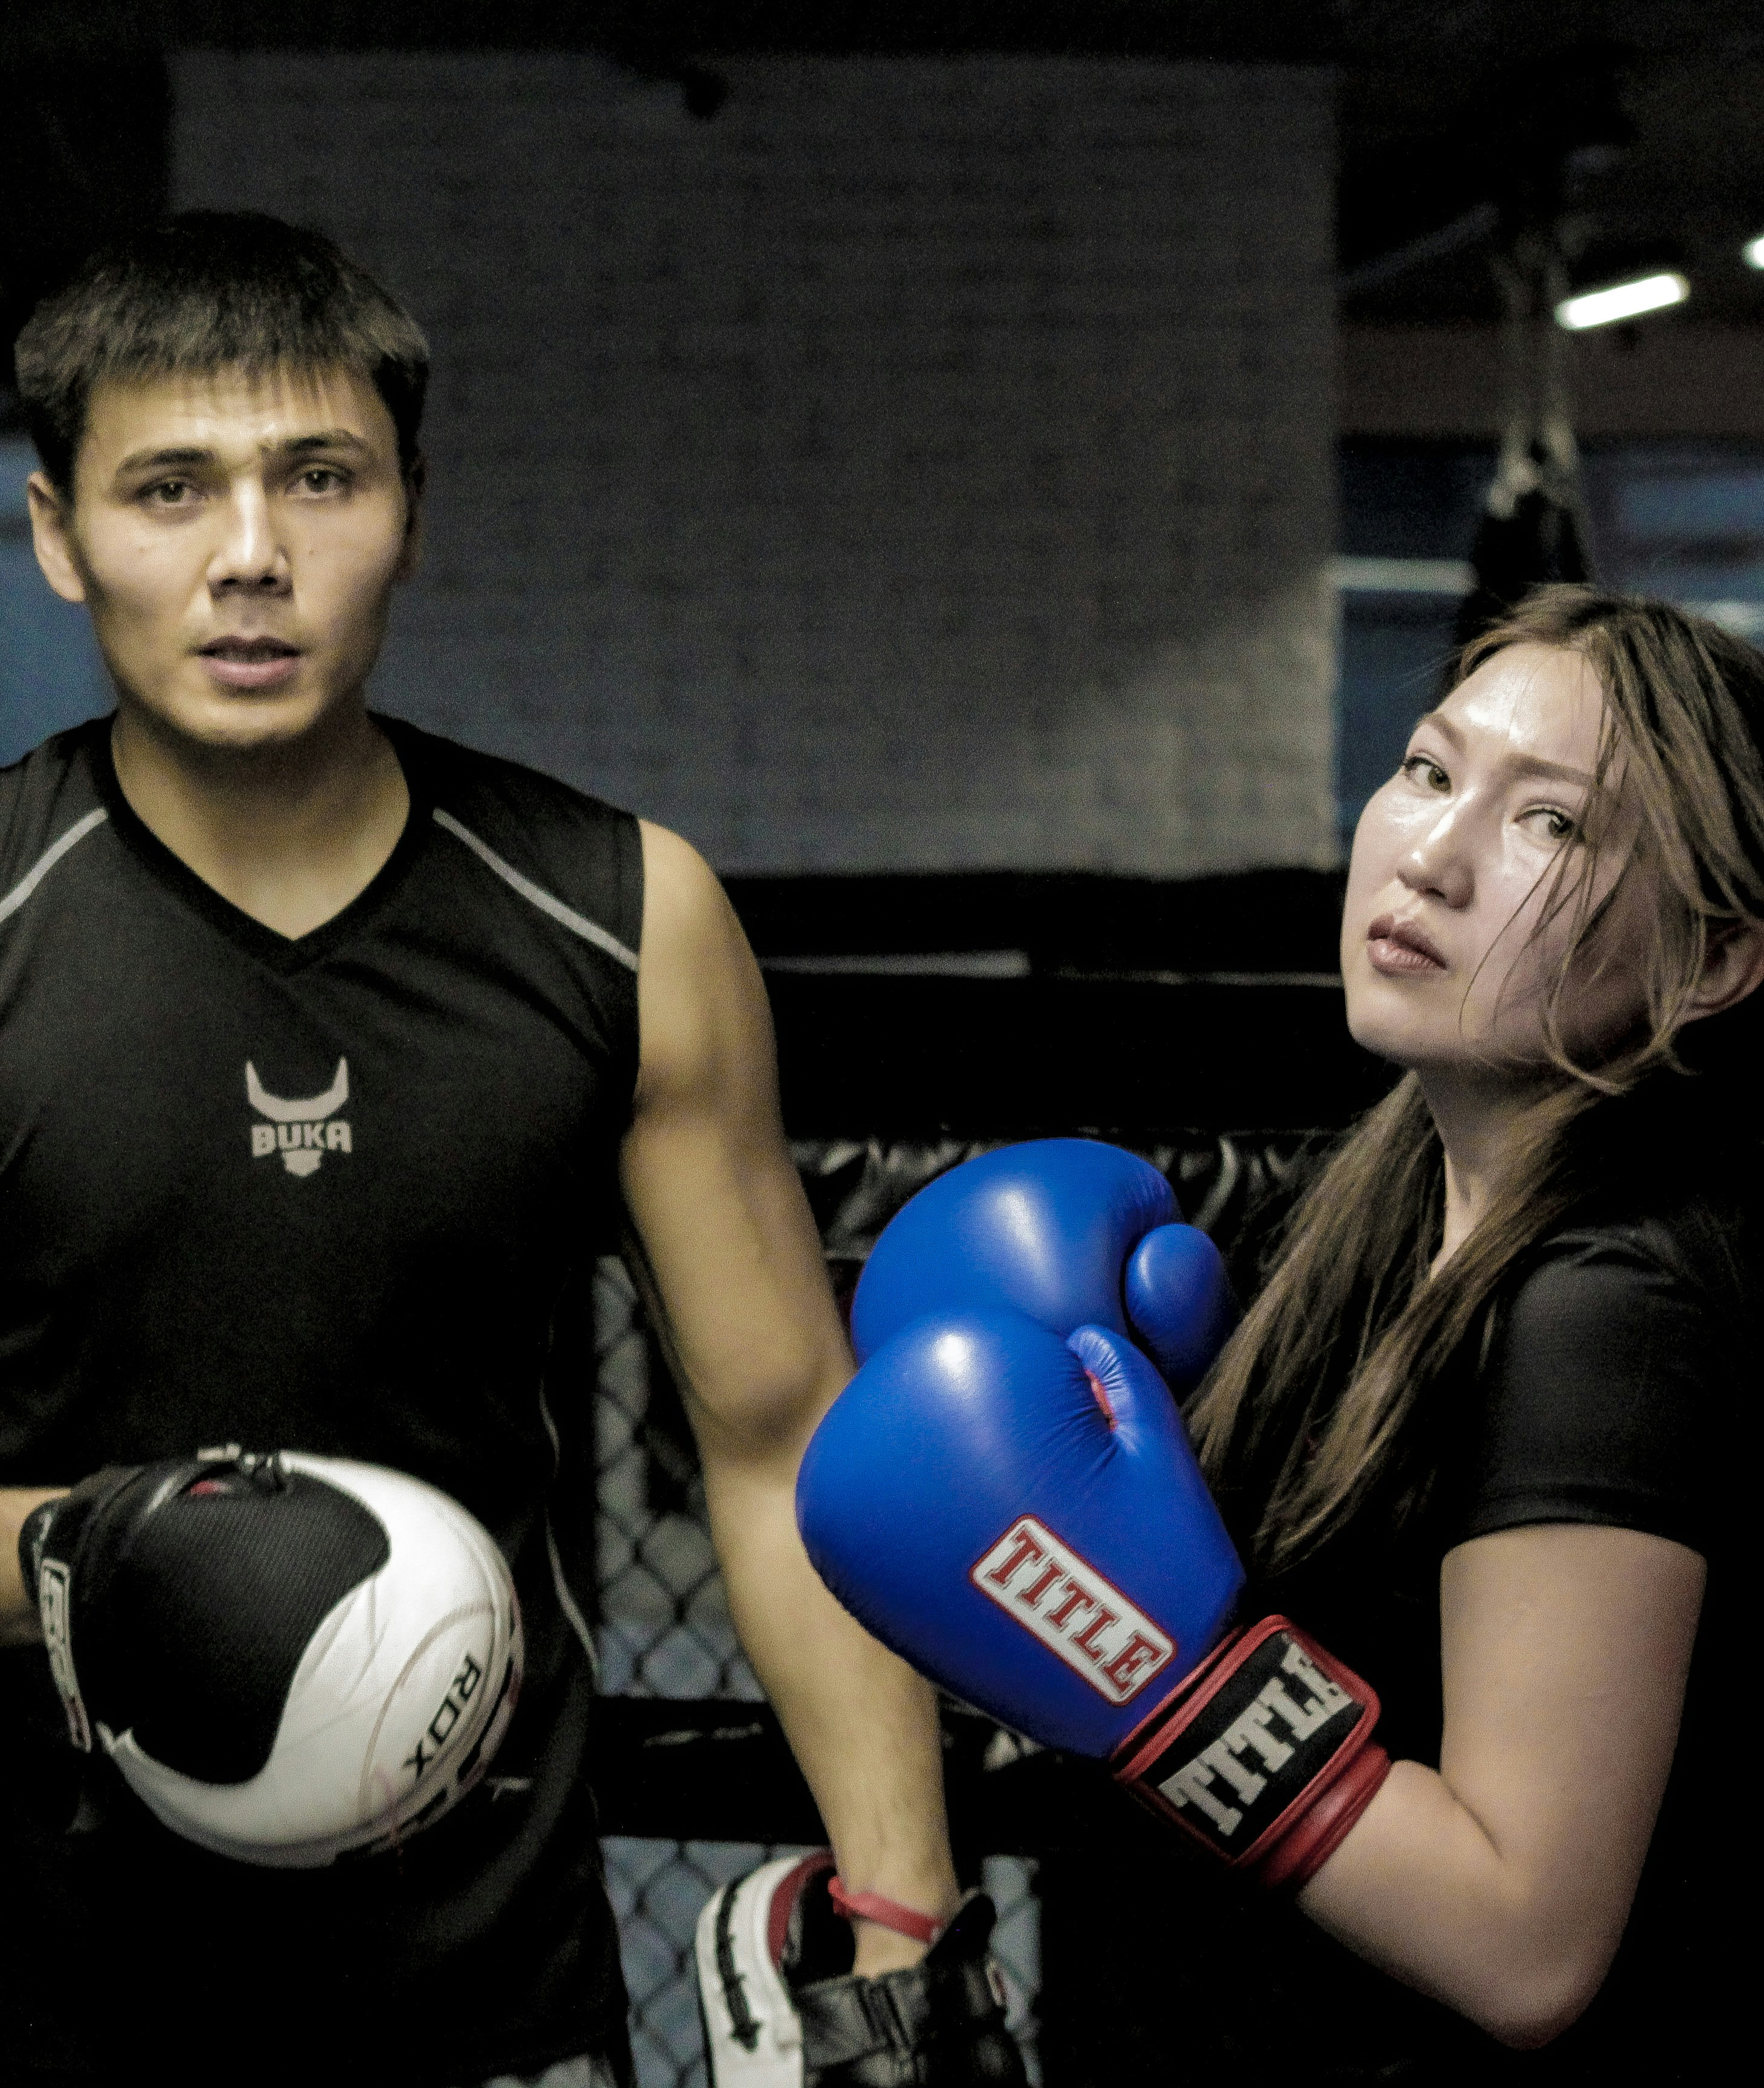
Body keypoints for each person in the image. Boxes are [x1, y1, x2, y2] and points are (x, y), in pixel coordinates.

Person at [0, 211, 1008, 2088]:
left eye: (320, 478)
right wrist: (82, 1558)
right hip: (45, 1971)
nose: (249, 557)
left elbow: (785, 1445)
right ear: (58, 533)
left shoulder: (623, 917)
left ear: (410, 502)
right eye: (168, 490)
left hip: (486, 1989)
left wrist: (903, 1915)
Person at [1150, 586, 1762, 2084]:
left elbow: (1520, 1942)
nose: (1426, 853)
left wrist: (1135, 1672)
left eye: (1548, 825)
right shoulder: (1377, 1217)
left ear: (1712, 961)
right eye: (1426, 769)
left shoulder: (1607, 1306)